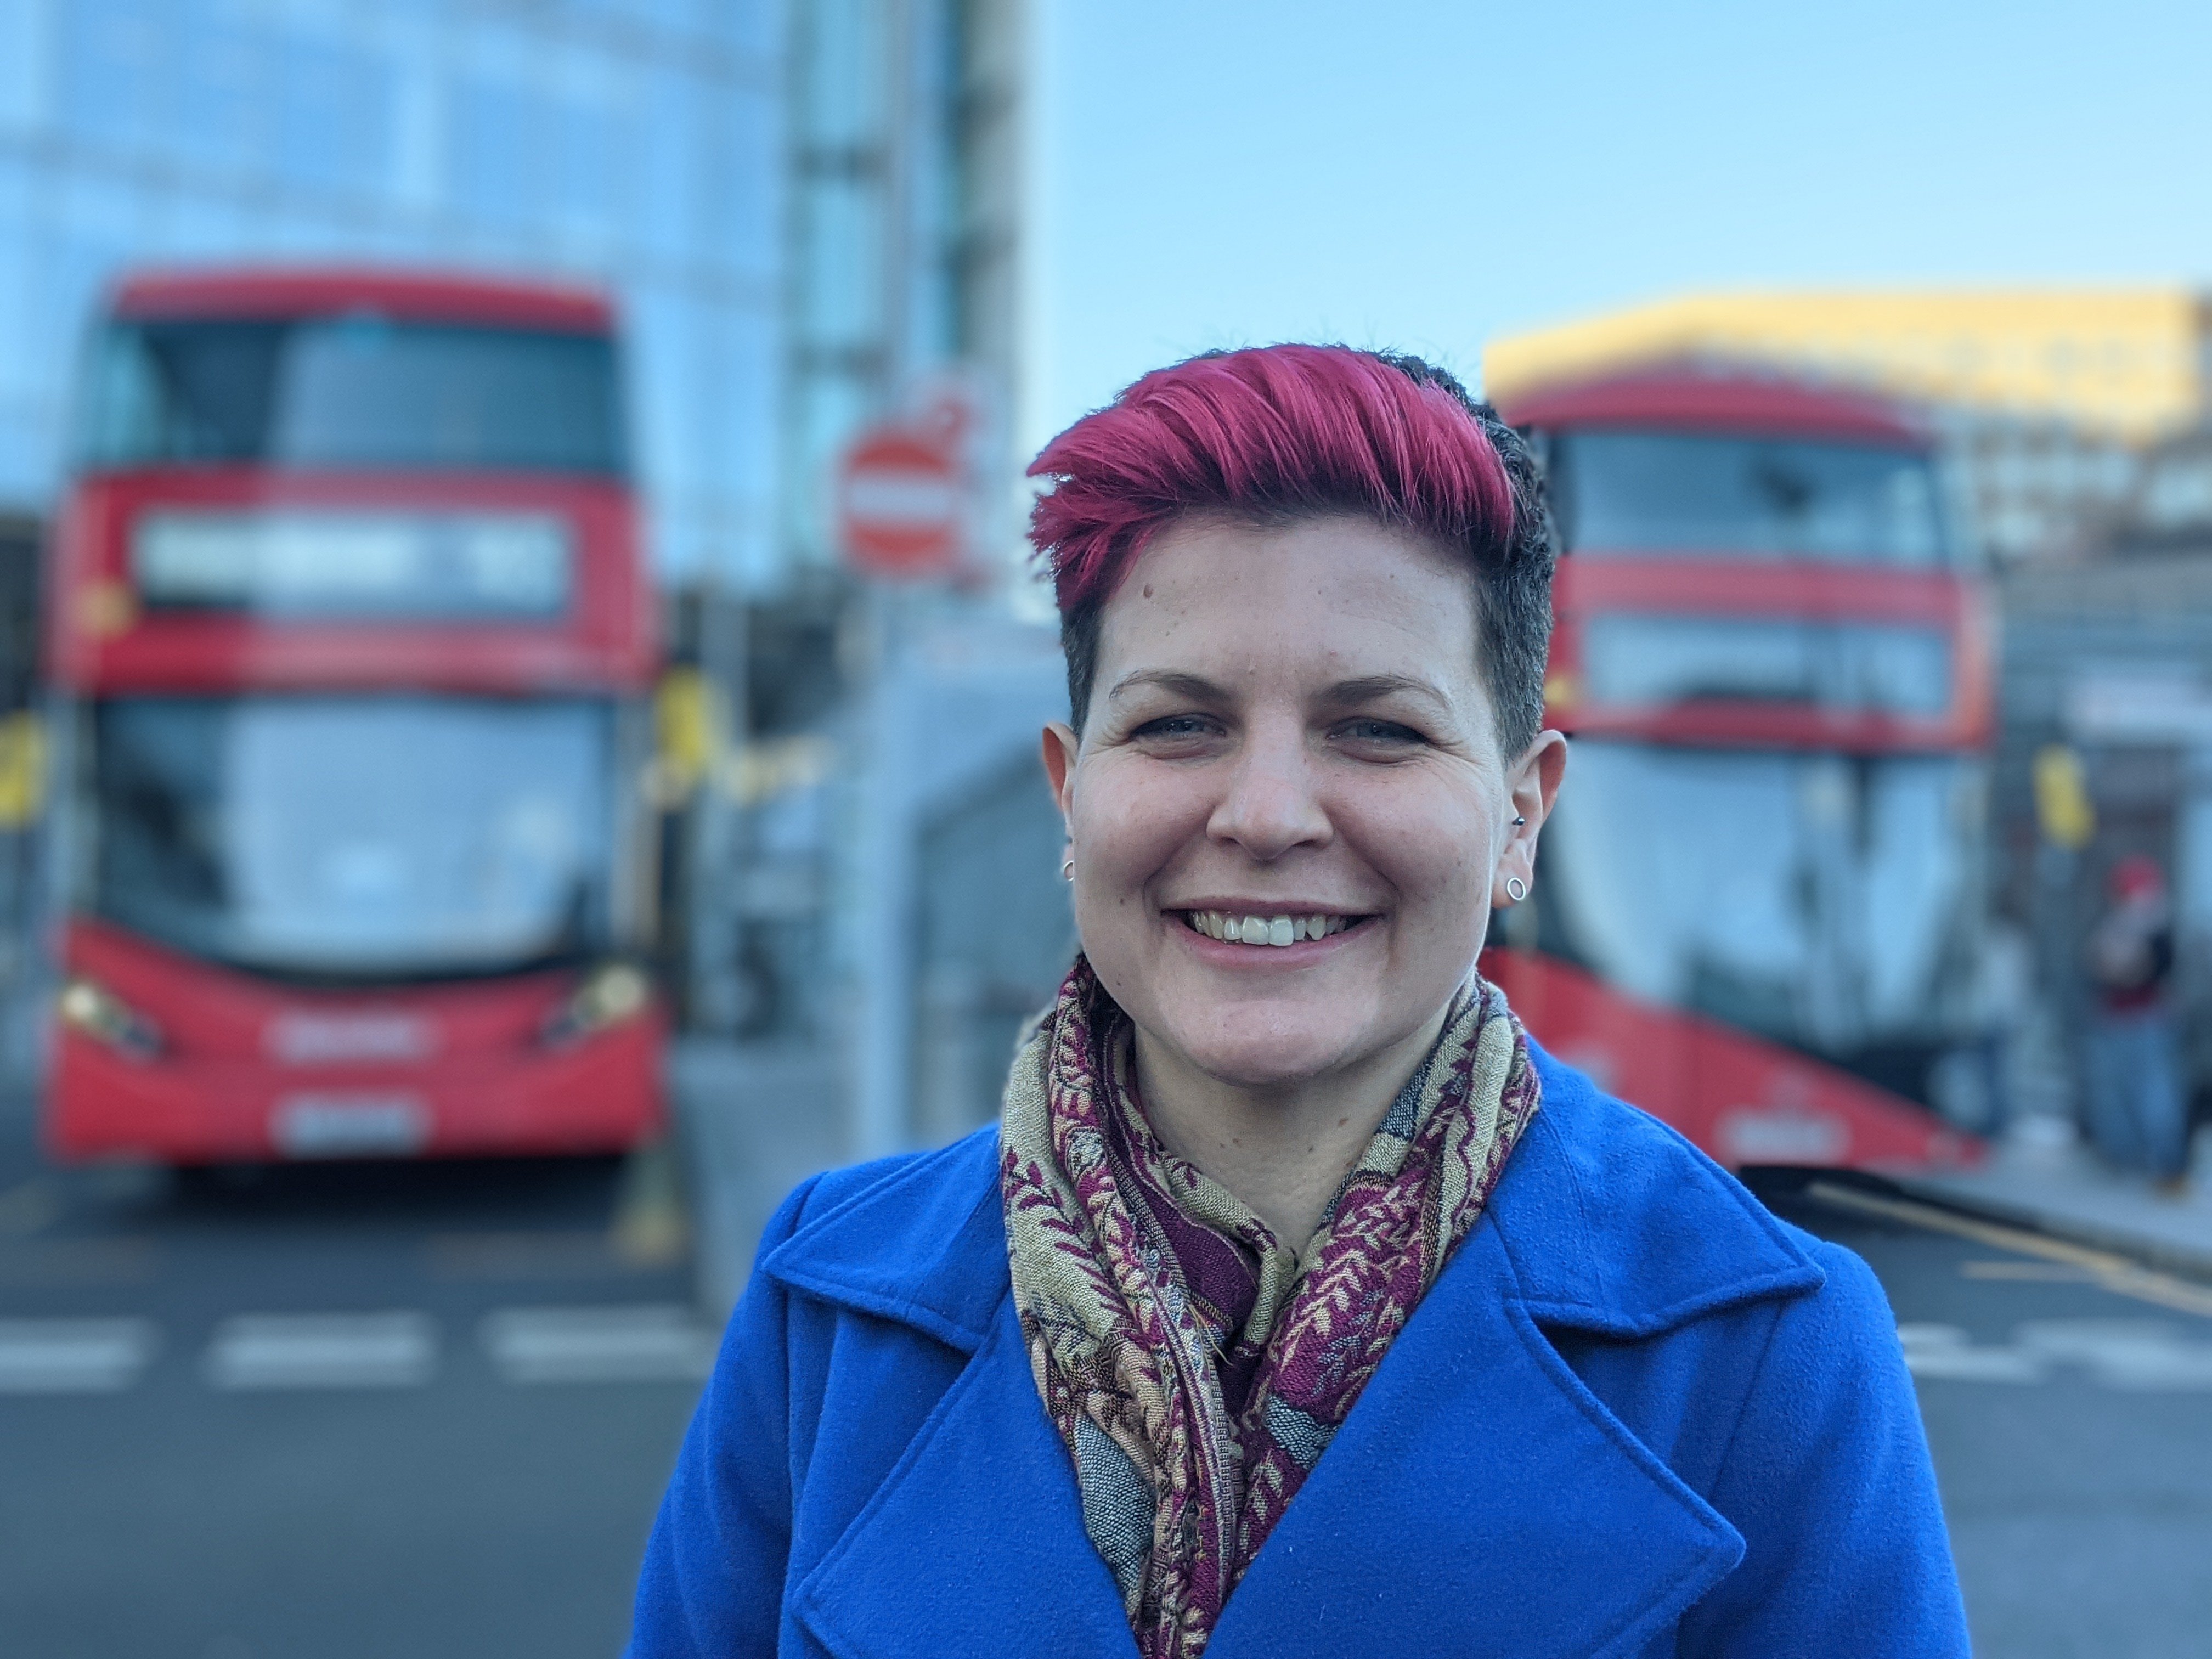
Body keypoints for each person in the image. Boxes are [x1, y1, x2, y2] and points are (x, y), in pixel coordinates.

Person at [627, 346, 1967, 1657]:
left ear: (1521, 813)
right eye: (1175, 726)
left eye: (1378, 730)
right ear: (1069, 794)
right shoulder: (828, 1308)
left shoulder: (1766, 1350)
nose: (1265, 815)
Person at [2084, 855, 2188, 1195]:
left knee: (2155, 1095)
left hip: (2147, 1023)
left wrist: (2120, 957)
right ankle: (2123, 1158)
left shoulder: (2160, 929)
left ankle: (2165, 1161)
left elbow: (2134, 972)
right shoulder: (2112, 925)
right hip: (2113, 1019)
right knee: (2114, 1095)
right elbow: (2100, 967)